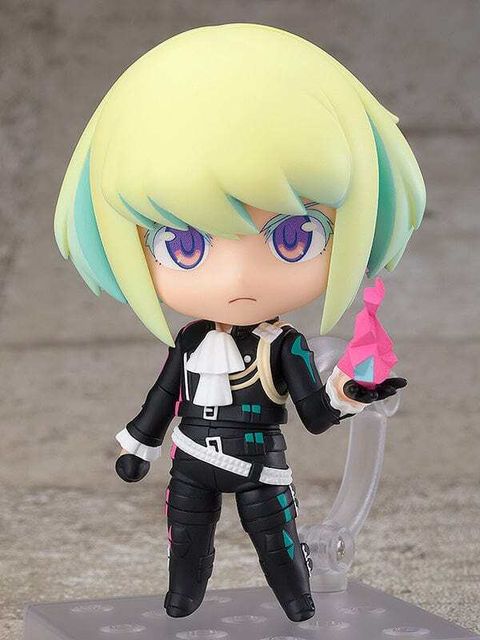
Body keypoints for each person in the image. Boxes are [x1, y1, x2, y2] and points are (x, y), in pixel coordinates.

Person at [54, 24, 425, 622]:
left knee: (278, 545)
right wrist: (139, 446)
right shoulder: (190, 340)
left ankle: (299, 603)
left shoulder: (286, 346)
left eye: (294, 236)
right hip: (191, 456)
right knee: (186, 543)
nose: (237, 279)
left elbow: (316, 416)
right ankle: (183, 601)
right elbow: (162, 398)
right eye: (183, 245)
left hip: (261, 463)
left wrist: (353, 393)